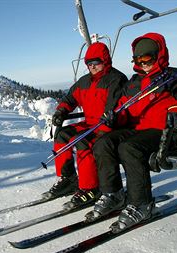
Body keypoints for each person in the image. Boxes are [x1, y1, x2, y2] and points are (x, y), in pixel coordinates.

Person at [89, 32, 177, 230]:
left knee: (129, 148)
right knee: (103, 143)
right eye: (137, 58)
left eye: (147, 57)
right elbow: (124, 109)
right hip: (138, 130)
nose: (142, 63)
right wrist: (116, 117)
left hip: (166, 132)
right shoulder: (134, 82)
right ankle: (113, 194)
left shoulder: (174, 77)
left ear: (158, 55)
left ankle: (142, 204)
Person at [43, 42, 128, 209]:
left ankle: (91, 188)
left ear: (105, 60)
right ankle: (69, 178)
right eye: (89, 64)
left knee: (83, 141)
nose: (93, 67)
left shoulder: (115, 79)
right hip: (90, 123)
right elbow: (70, 99)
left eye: (96, 63)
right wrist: (61, 112)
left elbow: (114, 107)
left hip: (108, 125)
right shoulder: (84, 81)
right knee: (62, 135)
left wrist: (106, 123)